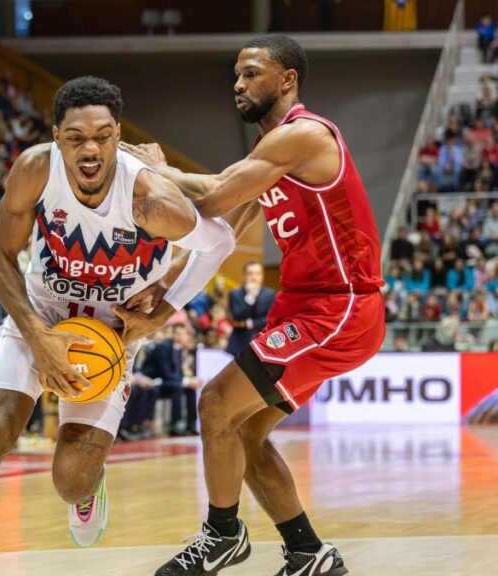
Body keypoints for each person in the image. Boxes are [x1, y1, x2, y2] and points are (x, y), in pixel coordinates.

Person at [0, 76, 252, 576]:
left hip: (111, 331)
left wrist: (164, 307)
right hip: (42, 313)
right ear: (57, 137)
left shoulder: (151, 197)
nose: (90, 149)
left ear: (119, 135)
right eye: (75, 137)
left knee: (70, 480)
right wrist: (37, 335)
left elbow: (220, 243)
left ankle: (89, 486)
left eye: (102, 135)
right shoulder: (35, 170)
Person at [124, 34, 384, 576]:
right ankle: (309, 553)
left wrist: (153, 170)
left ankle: (222, 535)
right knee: (241, 430)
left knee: (215, 403)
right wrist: (166, 294)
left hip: (338, 308)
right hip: (303, 308)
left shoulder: (305, 136)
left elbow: (213, 195)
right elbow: (218, 232)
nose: (237, 85)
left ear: (287, 79)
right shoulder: (266, 158)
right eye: (236, 76)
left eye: (251, 74)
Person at [226, 260, 275, 355]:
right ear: (244, 275)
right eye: (250, 273)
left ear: (262, 276)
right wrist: (250, 298)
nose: (254, 277)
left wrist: (249, 323)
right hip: (238, 342)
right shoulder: (234, 294)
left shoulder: (269, 294)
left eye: (257, 273)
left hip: (261, 341)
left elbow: (270, 318)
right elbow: (237, 316)